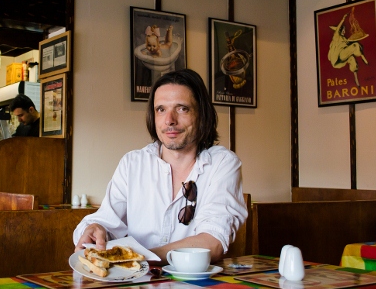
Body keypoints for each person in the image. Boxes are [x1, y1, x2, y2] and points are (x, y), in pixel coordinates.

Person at [73, 69, 247, 262]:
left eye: (182, 108)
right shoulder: (133, 164)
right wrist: (96, 229)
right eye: (161, 109)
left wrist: (138, 258)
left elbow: (213, 242)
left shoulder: (222, 164)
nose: (169, 120)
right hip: (134, 288)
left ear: (201, 114)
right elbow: (106, 221)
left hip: (197, 287)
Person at [328, 11, 369, 87]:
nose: (344, 31)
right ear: (340, 30)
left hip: (340, 60)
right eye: (342, 30)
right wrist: (343, 19)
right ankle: (363, 57)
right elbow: (337, 30)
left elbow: (348, 43)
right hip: (339, 56)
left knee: (352, 59)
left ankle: (356, 80)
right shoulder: (336, 37)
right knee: (355, 45)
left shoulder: (344, 39)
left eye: (344, 30)